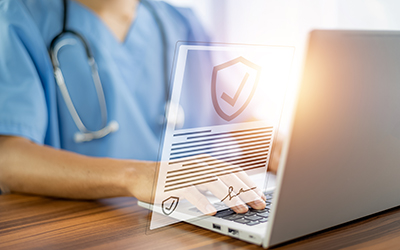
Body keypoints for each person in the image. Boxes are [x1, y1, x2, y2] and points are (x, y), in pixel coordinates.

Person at [0, 0, 267, 214]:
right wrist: (135, 176)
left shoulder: (182, 22)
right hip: (90, 225)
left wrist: (278, 148)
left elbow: (240, 121)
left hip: (200, 214)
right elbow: (8, 159)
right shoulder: (16, 18)